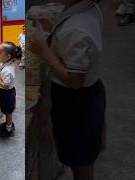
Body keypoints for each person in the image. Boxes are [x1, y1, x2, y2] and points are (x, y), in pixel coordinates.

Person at [31, 0, 106, 180]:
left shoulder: (77, 29)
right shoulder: (86, 8)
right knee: (81, 153)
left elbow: (75, 80)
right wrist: (55, 33)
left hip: (77, 103)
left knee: (80, 161)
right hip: (88, 95)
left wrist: (44, 51)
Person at [0, 42, 22, 137]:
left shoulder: (8, 71)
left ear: (8, 56)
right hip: (6, 92)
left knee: (8, 112)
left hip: (7, 93)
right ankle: (8, 124)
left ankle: (8, 129)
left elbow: (6, 86)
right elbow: (1, 67)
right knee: (6, 110)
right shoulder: (7, 63)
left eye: (0, 53)